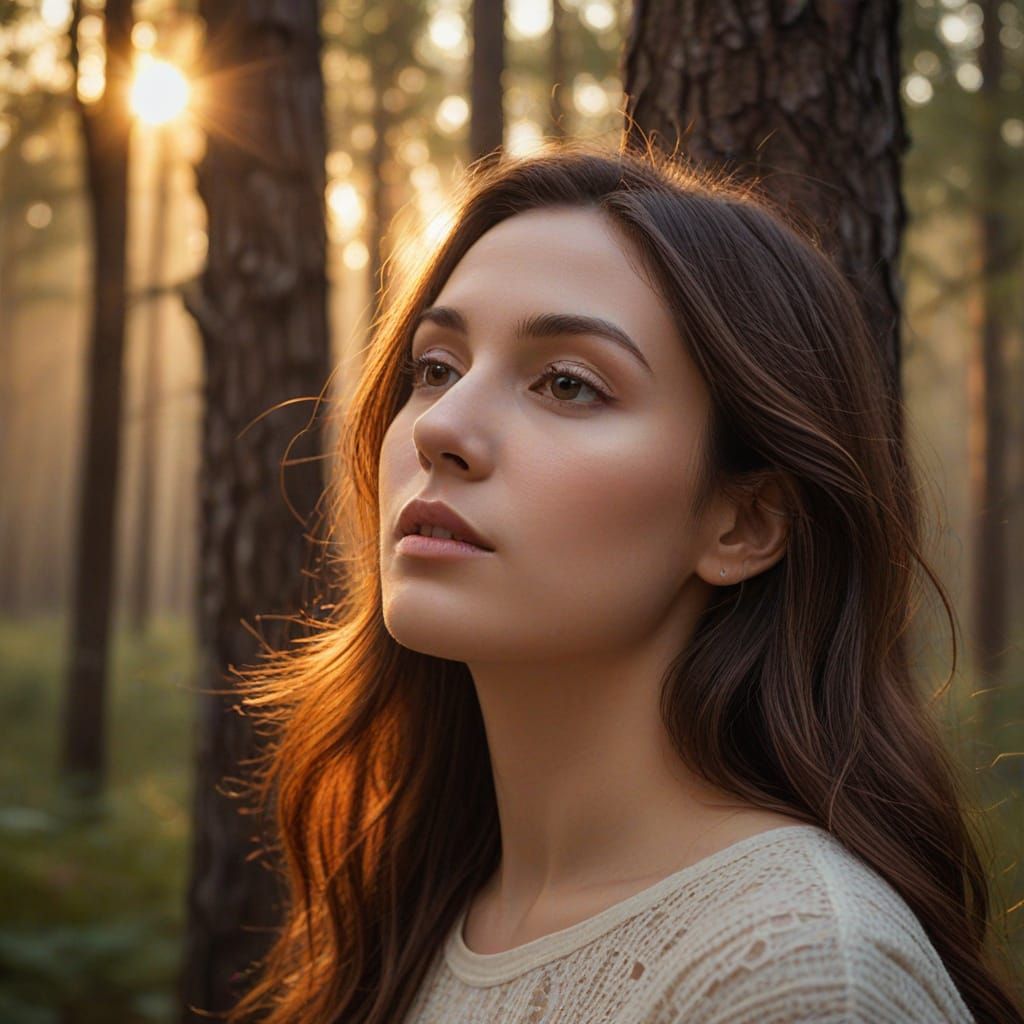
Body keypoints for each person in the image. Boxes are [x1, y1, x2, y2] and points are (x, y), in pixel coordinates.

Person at [227, 143, 1023, 1024]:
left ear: (743, 524)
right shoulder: (419, 908)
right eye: (435, 368)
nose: (442, 427)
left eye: (567, 384)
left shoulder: (799, 975)